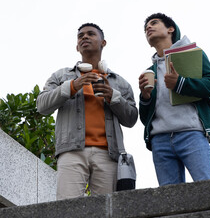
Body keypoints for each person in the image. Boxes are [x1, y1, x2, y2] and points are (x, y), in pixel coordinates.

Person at [37, 23, 138, 200]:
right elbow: (42, 105)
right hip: (71, 151)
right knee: (67, 209)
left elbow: (131, 119)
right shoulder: (61, 76)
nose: (84, 37)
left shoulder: (119, 83)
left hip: (109, 154)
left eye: (91, 34)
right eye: (80, 36)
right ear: (77, 46)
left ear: (103, 42)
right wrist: (72, 86)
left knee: (107, 210)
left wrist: (113, 96)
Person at [138, 13, 210, 186]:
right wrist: (145, 96)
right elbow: (145, 118)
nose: (148, 27)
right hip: (160, 140)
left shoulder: (193, 55)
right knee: (170, 201)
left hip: (191, 133)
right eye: (146, 28)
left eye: (154, 23)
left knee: (208, 189)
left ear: (171, 29)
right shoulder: (149, 71)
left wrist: (180, 83)